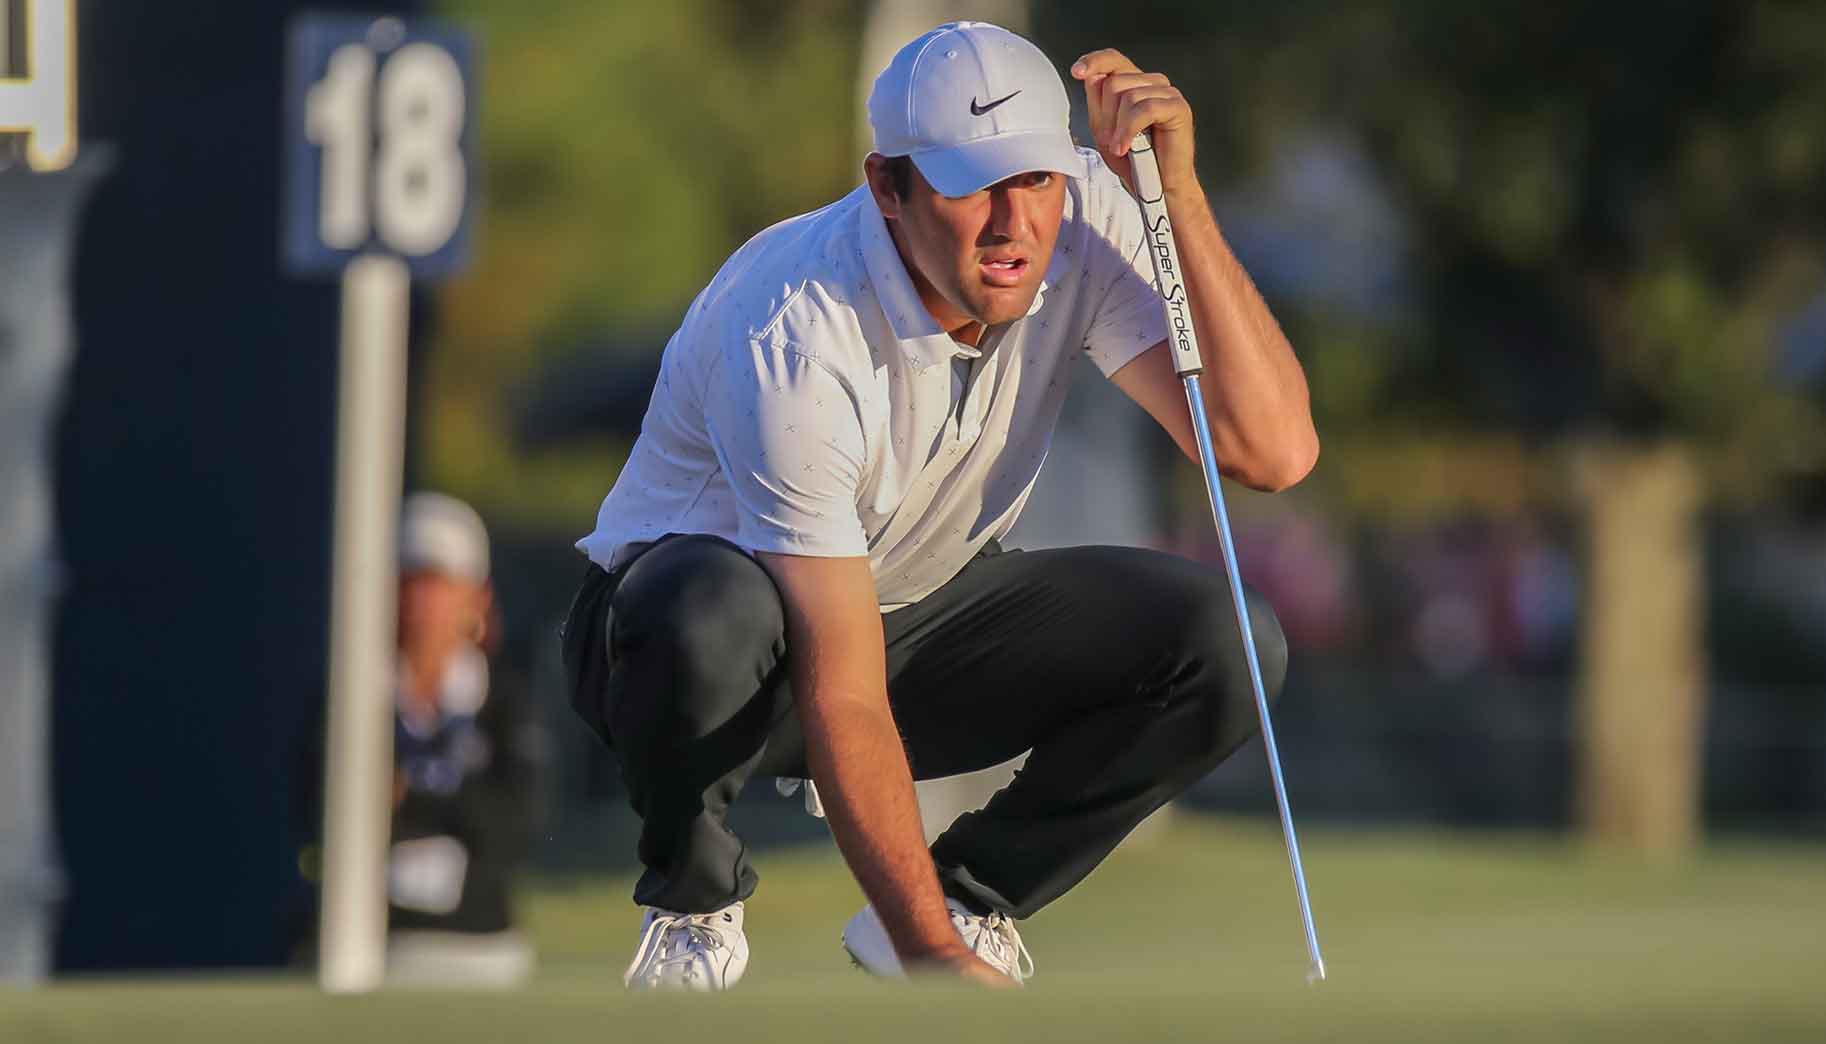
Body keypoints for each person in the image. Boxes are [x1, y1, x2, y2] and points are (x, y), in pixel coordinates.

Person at [559, 21, 1317, 991]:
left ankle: (976, 895)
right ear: (888, 186)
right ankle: (692, 907)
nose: (1012, 223)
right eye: (969, 184)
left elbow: (1270, 449)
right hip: (679, 656)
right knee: (708, 603)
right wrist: (934, 968)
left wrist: (1177, 203)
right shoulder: (796, 325)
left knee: (1225, 641)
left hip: (909, 614)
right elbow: (839, 690)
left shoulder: (1088, 217)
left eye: (1034, 178)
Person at [382, 492, 543, 986]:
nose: (422, 603)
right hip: (376, 947)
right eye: (410, 582)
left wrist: (416, 794)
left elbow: (518, 821)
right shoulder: (351, 695)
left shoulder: (505, 702)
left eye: (441, 584)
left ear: (477, 598)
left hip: (485, 948)